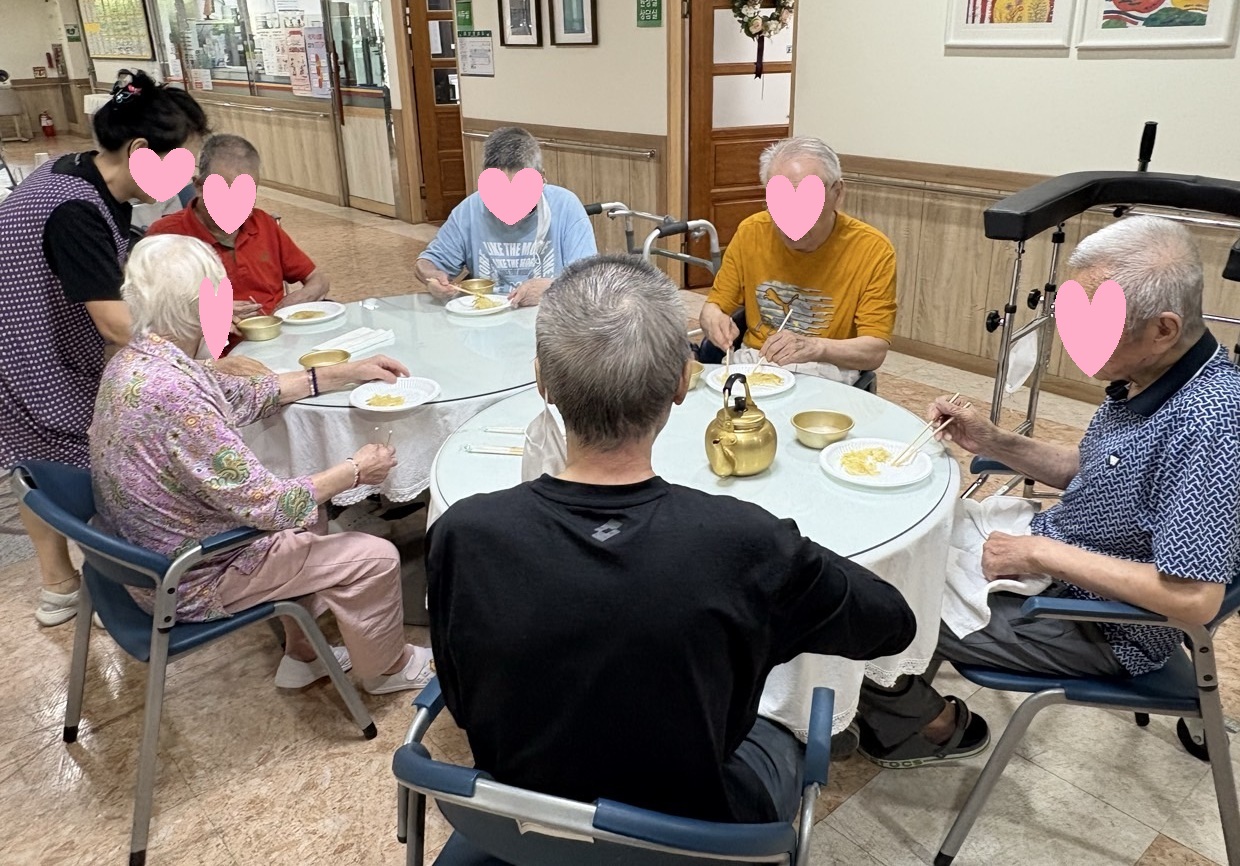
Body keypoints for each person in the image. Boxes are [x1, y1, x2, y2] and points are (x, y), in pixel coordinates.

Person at [427, 254, 916, 823]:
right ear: (684, 382)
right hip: (695, 834)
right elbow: (892, 623)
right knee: (782, 726)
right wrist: (783, 559)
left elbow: (460, 699)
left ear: (542, 380)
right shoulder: (747, 545)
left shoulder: (463, 533)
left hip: (516, 824)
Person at [856, 216, 1240, 768]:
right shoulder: (1151, 375)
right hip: (1057, 554)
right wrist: (993, 440)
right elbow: (1095, 470)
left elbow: (1195, 598)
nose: (1074, 339)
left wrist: (1039, 553)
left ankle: (930, 727)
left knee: (859, 605)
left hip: (1096, 622)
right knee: (891, 540)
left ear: (1163, 329)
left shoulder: (1211, 421)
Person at [89, 234, 433, 694]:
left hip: (144, 556)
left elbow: (249, 393)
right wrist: (355, 470)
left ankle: (303, 654)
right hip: (191, 575)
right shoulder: (177, 397)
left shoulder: (137, 362)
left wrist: (345, 372)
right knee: (374, 557)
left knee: (313, 507)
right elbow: (272, 506)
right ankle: (388, 669)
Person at [0, 70, 210, 627]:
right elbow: (117, 325)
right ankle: (116, 587)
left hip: (32, 341)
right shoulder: (74, 209)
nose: (187, 178)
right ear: (140, 151)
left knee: (37, 469)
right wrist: (195, 353)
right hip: (32, 354)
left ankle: (61, 586)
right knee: (88, 466)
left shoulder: (80, 175)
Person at [697, 136, 897, 386]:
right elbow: (714, 307)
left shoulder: (872, 249)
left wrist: (816, 347)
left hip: (828, 369)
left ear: (837, 193)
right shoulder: (752, 232)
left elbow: (874, 351)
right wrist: (712, 319)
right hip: (755, 360)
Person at [147, 133, 330, 339]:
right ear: (199, 186)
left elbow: (318, 279)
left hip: (276, 338)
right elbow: (149, 310)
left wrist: (301, 298)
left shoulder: (263, 224)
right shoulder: (166, 235)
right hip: (210, 350)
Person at [415, 126, 597, 308]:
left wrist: (552, 289)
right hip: (487, 318)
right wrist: (432, 277)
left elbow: (589, 278)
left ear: (542, 178)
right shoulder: (469, 210)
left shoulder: (566, 206)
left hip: (549, 315)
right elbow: (426, 263)